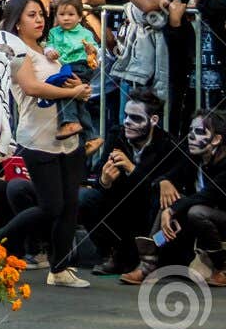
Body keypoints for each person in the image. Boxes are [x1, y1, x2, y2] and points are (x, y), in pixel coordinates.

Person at [0, 0, 96, 287]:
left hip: (67, 138)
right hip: (37, 139)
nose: (39, 20)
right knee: (51, 205)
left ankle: (59, 269)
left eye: (40, 14)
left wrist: (79, 86)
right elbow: (32, 87)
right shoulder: (16, 51)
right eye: (31, 15)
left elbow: (66, 78)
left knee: (69, 205)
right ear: (16, 21)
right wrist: (71, 94)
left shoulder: (50, 49)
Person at [78, 91, 191, 280]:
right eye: (126, 115)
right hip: (118, 212)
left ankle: (149, 259)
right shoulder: (117, 136)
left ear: (153, 120)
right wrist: (104, 181)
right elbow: (98, 177)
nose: (127, 122)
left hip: (146, 218)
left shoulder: (168, 146)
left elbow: (158, 192)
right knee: (85, 197)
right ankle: (112, 253)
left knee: (163, 203)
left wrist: (132, 169)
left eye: (136, 118)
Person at [142, 110, 226, 286]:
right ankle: (148, 261)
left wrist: (171, 210)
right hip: (201, 223)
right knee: (168, 200)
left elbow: (206, 196)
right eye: (191, 131)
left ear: (217, 139)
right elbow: (162, 176)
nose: (192, 136)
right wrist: (164, 181)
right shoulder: (194, 157)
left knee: (195, 211)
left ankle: (221, 266)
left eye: (200, 132)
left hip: (218, 221)